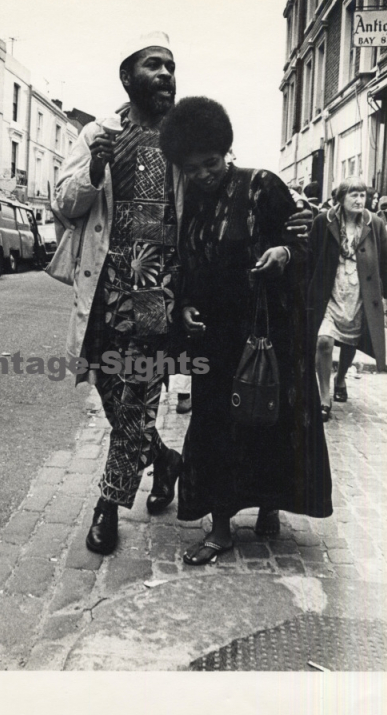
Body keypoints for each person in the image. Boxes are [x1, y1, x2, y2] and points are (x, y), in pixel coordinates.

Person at [52, 36, 313, 556]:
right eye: (154, 66)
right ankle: (166, 461)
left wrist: (290, 220)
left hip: (161, 296)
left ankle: (108, 506)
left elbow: (221, 185)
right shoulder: (97, 133)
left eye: (171, 66)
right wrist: (94, 170)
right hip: (106, 294)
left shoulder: (179, 139)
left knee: (133, 404)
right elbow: (63, 203)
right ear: (128, 77)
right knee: (111, 396)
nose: (167, 74)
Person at [158, 97, 332, 564]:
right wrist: (186, 306)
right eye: (191, 167)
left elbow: (307, 238)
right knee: (214, 425)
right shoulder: (189, 201)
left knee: (267, 417)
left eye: (210, 163)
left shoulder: (262, 185)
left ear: (225, 150)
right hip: (213, 335)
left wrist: (284, 255)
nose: (202, 174)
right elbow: (187, 263)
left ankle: (269, 503)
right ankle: (219, 530)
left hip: (264, 330)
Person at [310, 178, 387, 421]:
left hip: (361, 290)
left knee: (351, 341)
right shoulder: (323, 221)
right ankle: (324, 396)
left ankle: (340, 380)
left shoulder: (375, 223)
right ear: (341, 199)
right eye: (354, 196)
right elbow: (310, 256)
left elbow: (386, 260)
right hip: (331, 289)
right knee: (324, 341)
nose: (361, 200)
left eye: (363, 196)